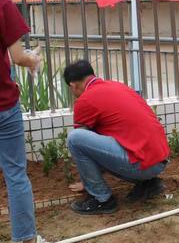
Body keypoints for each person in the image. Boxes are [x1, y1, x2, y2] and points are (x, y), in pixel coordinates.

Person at [0, 0, 65, 243]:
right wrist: (32, 60)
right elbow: (17, 57)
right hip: (3, 106)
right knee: (15, 174)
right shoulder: (3, 6)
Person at [63, 60, 170, 214]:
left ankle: (102, 199)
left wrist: (87, 182)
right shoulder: (117, 85)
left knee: (75, 138)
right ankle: (148, 183)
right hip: (159, 161)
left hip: (141, 165)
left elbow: (85, 145)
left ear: (72, 85)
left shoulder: (85, 100)